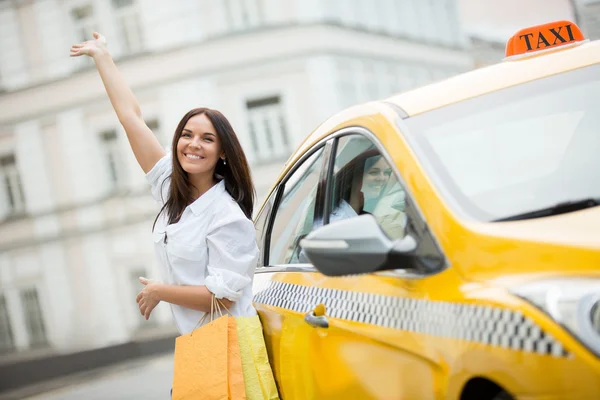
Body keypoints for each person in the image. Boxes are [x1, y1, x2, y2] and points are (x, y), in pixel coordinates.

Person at [70, 33, 259, 336]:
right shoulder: (171, 190)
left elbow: (221, 298)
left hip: (231, 347)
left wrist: (160, 291)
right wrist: (103, 57)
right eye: (187, 134)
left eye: (207, 139)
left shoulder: (228, 217)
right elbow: (131, 118)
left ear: (223, 153)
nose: (193, 144)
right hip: (198, 345)